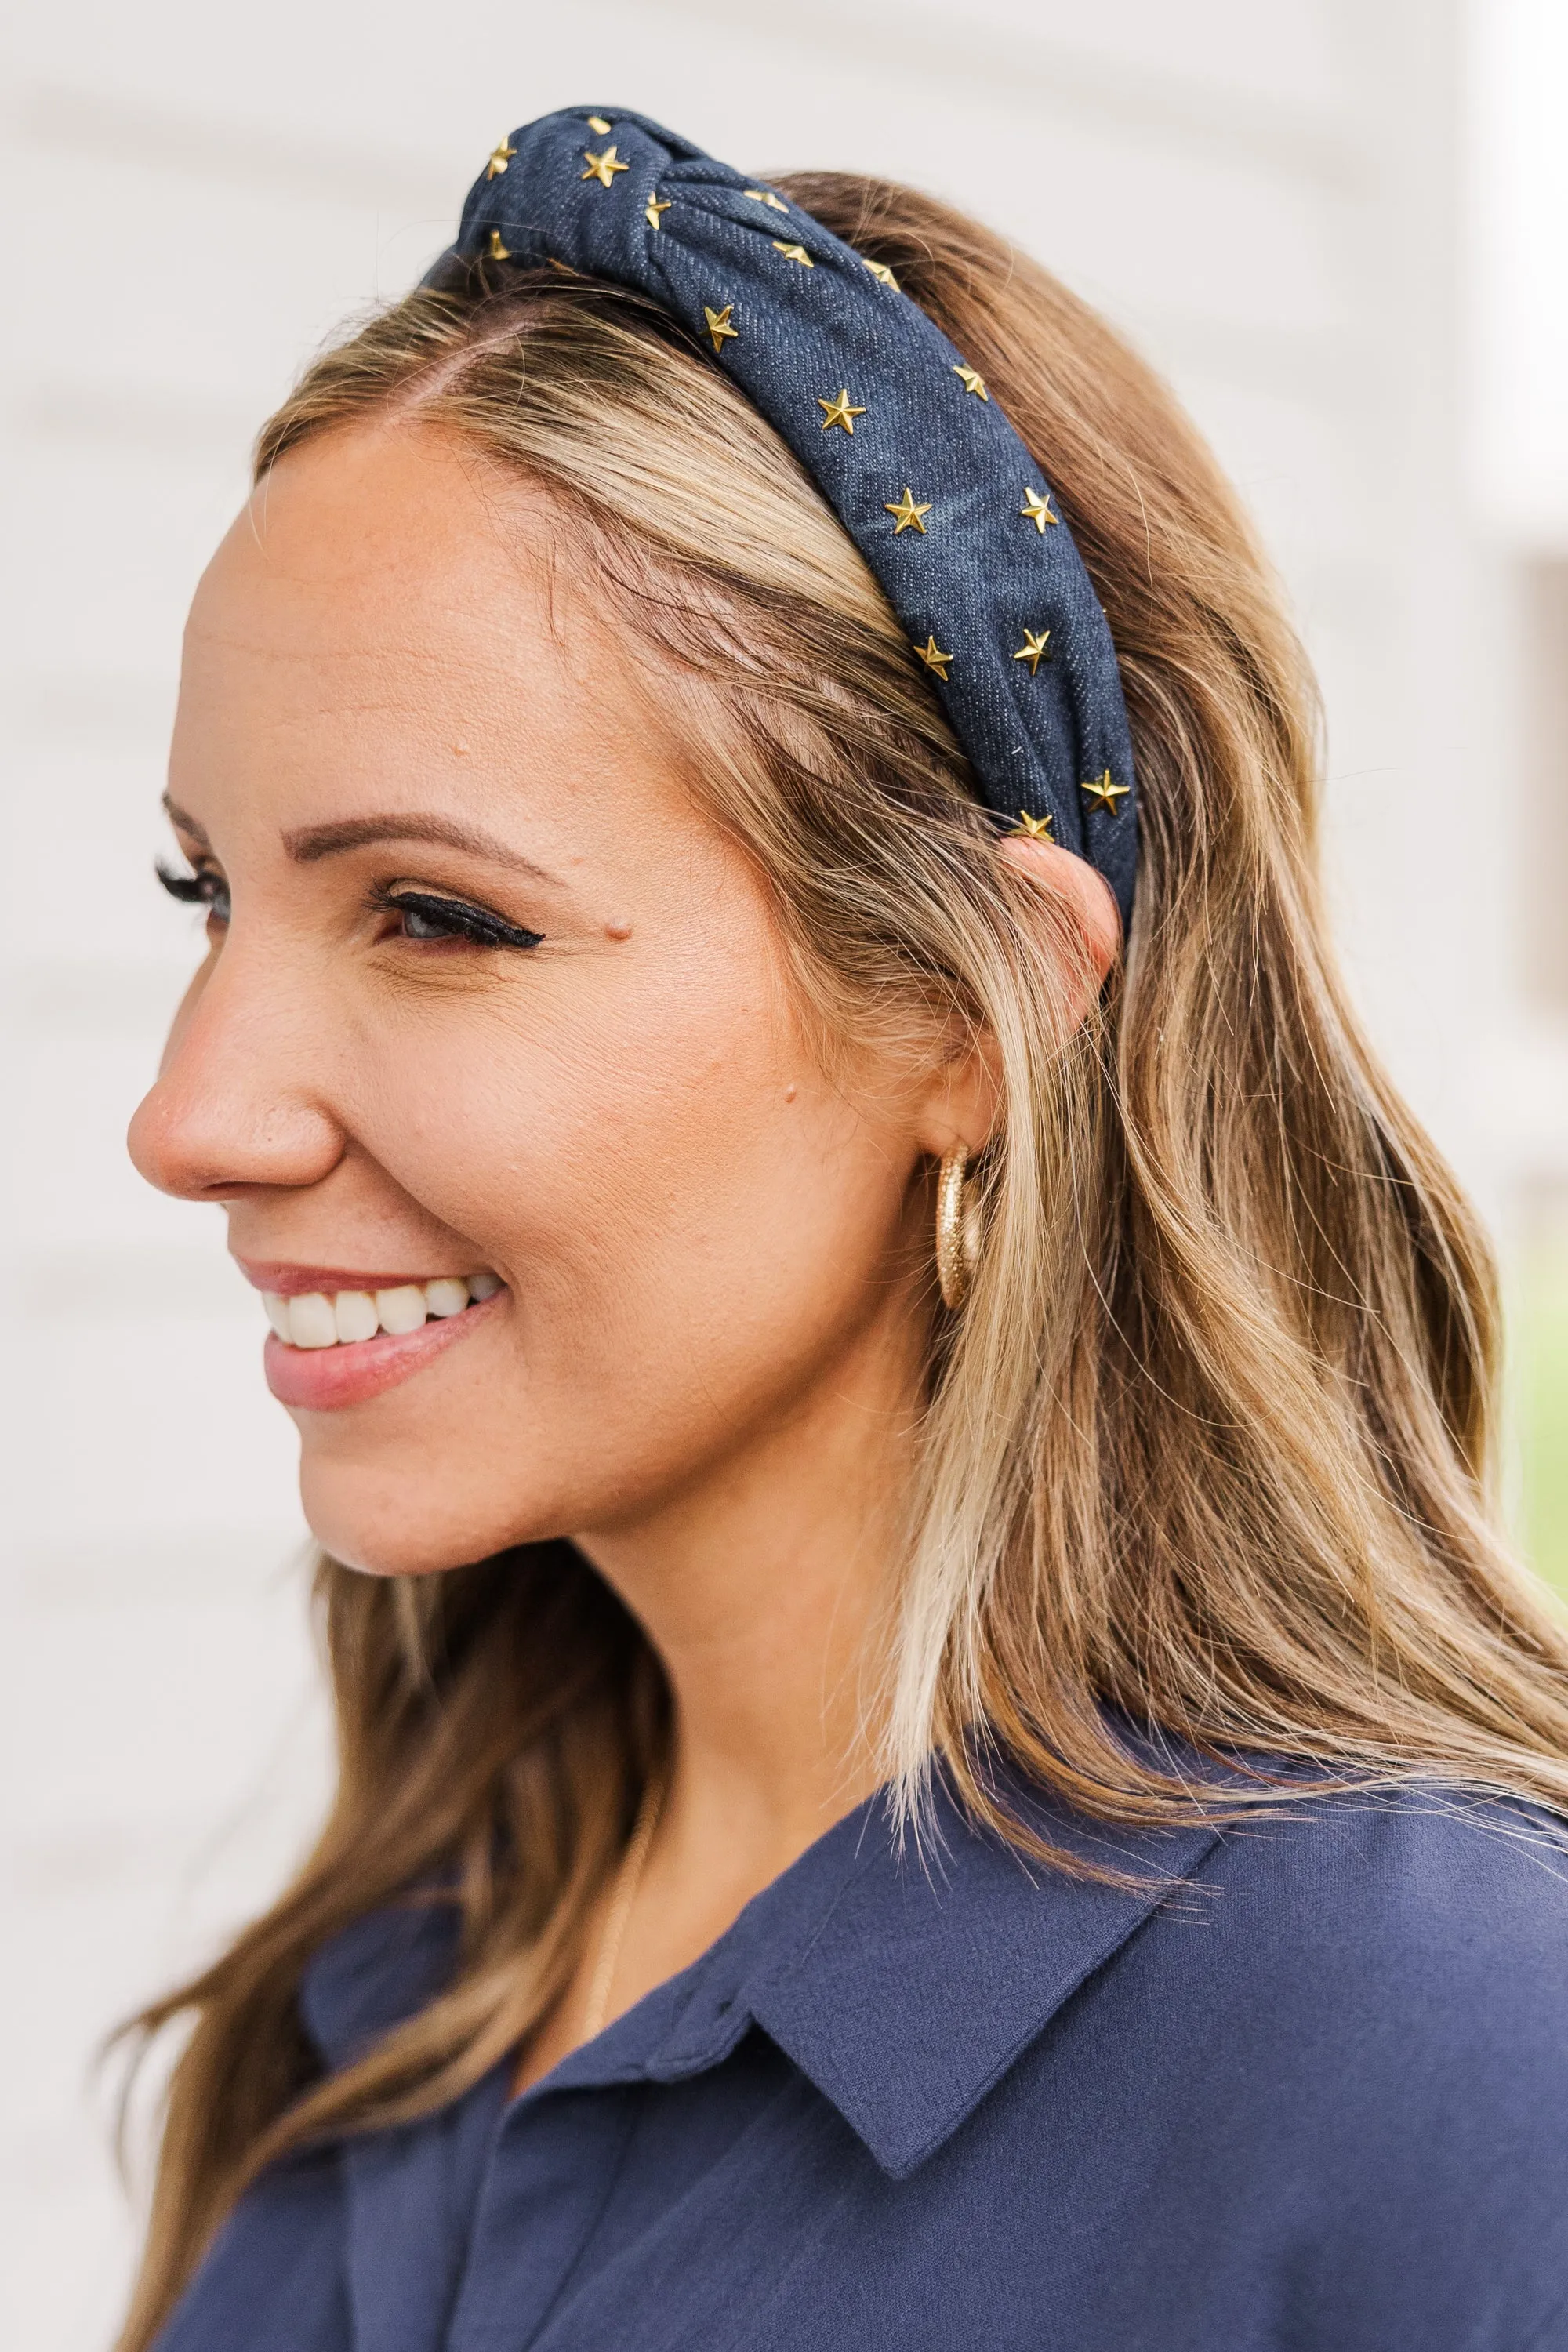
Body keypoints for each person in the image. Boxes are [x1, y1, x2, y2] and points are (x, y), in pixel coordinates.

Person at [114, 107, 1568, 2352]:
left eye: (433, 914)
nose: (190, 1118)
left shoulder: (1450, 2058)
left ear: (969, 1019)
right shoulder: (390, 1992)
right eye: (211, 894)